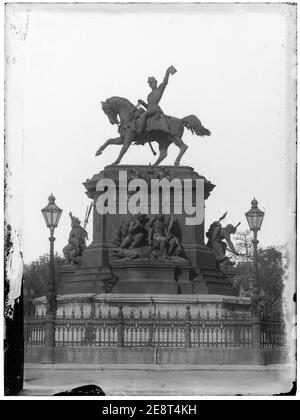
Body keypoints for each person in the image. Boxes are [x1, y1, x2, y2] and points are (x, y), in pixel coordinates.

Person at [137, 66, 176, 135]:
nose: (151, 84)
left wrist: (167, 72)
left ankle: (139, 131)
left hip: (155, 109)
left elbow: (165, 82)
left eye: (152, 82)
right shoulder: (149, 95)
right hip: (150, 110)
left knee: (143, 115)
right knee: (139, 113)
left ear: (156, 82)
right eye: (150, 83)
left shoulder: (159, 89)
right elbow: (148, 106)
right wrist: (142, 103)